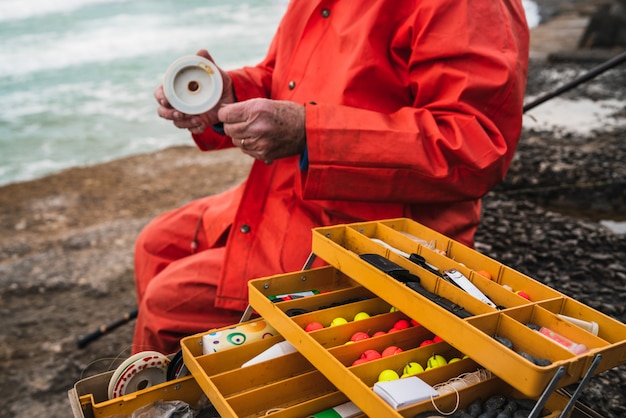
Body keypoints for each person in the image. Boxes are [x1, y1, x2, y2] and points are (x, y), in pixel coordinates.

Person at [132, 0, 530, 355]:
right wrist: (228, 94)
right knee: (156, 243)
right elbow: (281, 76)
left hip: (371, 236)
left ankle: (184, 395)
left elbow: (474, 145)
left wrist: (309, 132)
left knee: (168, 304)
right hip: (285, 195)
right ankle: (207, 378)